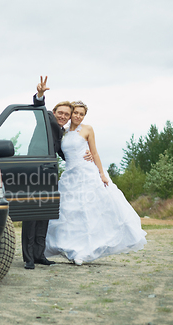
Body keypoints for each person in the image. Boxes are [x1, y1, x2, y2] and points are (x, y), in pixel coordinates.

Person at [43, 97, 147, 265]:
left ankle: (84, 252)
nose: (78, 116)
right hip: (70, 176)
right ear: (71, 115)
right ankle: (70, 248)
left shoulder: (88, 129)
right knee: (69, 213)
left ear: (84, 116)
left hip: (86, 173)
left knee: (88, 211)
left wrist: (102, 174)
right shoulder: (63, 131)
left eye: (81, 114)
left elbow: (95, 152)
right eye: (75, 113)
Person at [22, 76, 92, 269]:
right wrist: (40, 94)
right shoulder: (46, 119)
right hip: (34, 170)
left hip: (50, 173)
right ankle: (28, 257)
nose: (63, 117)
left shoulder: (62, 132)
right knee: (32, 214)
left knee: (45, 213)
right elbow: (38, 106)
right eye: (60, 113)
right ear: (53, 112)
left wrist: (84, 155)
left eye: (66, 115)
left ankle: (39, 254)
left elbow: (64, 152)